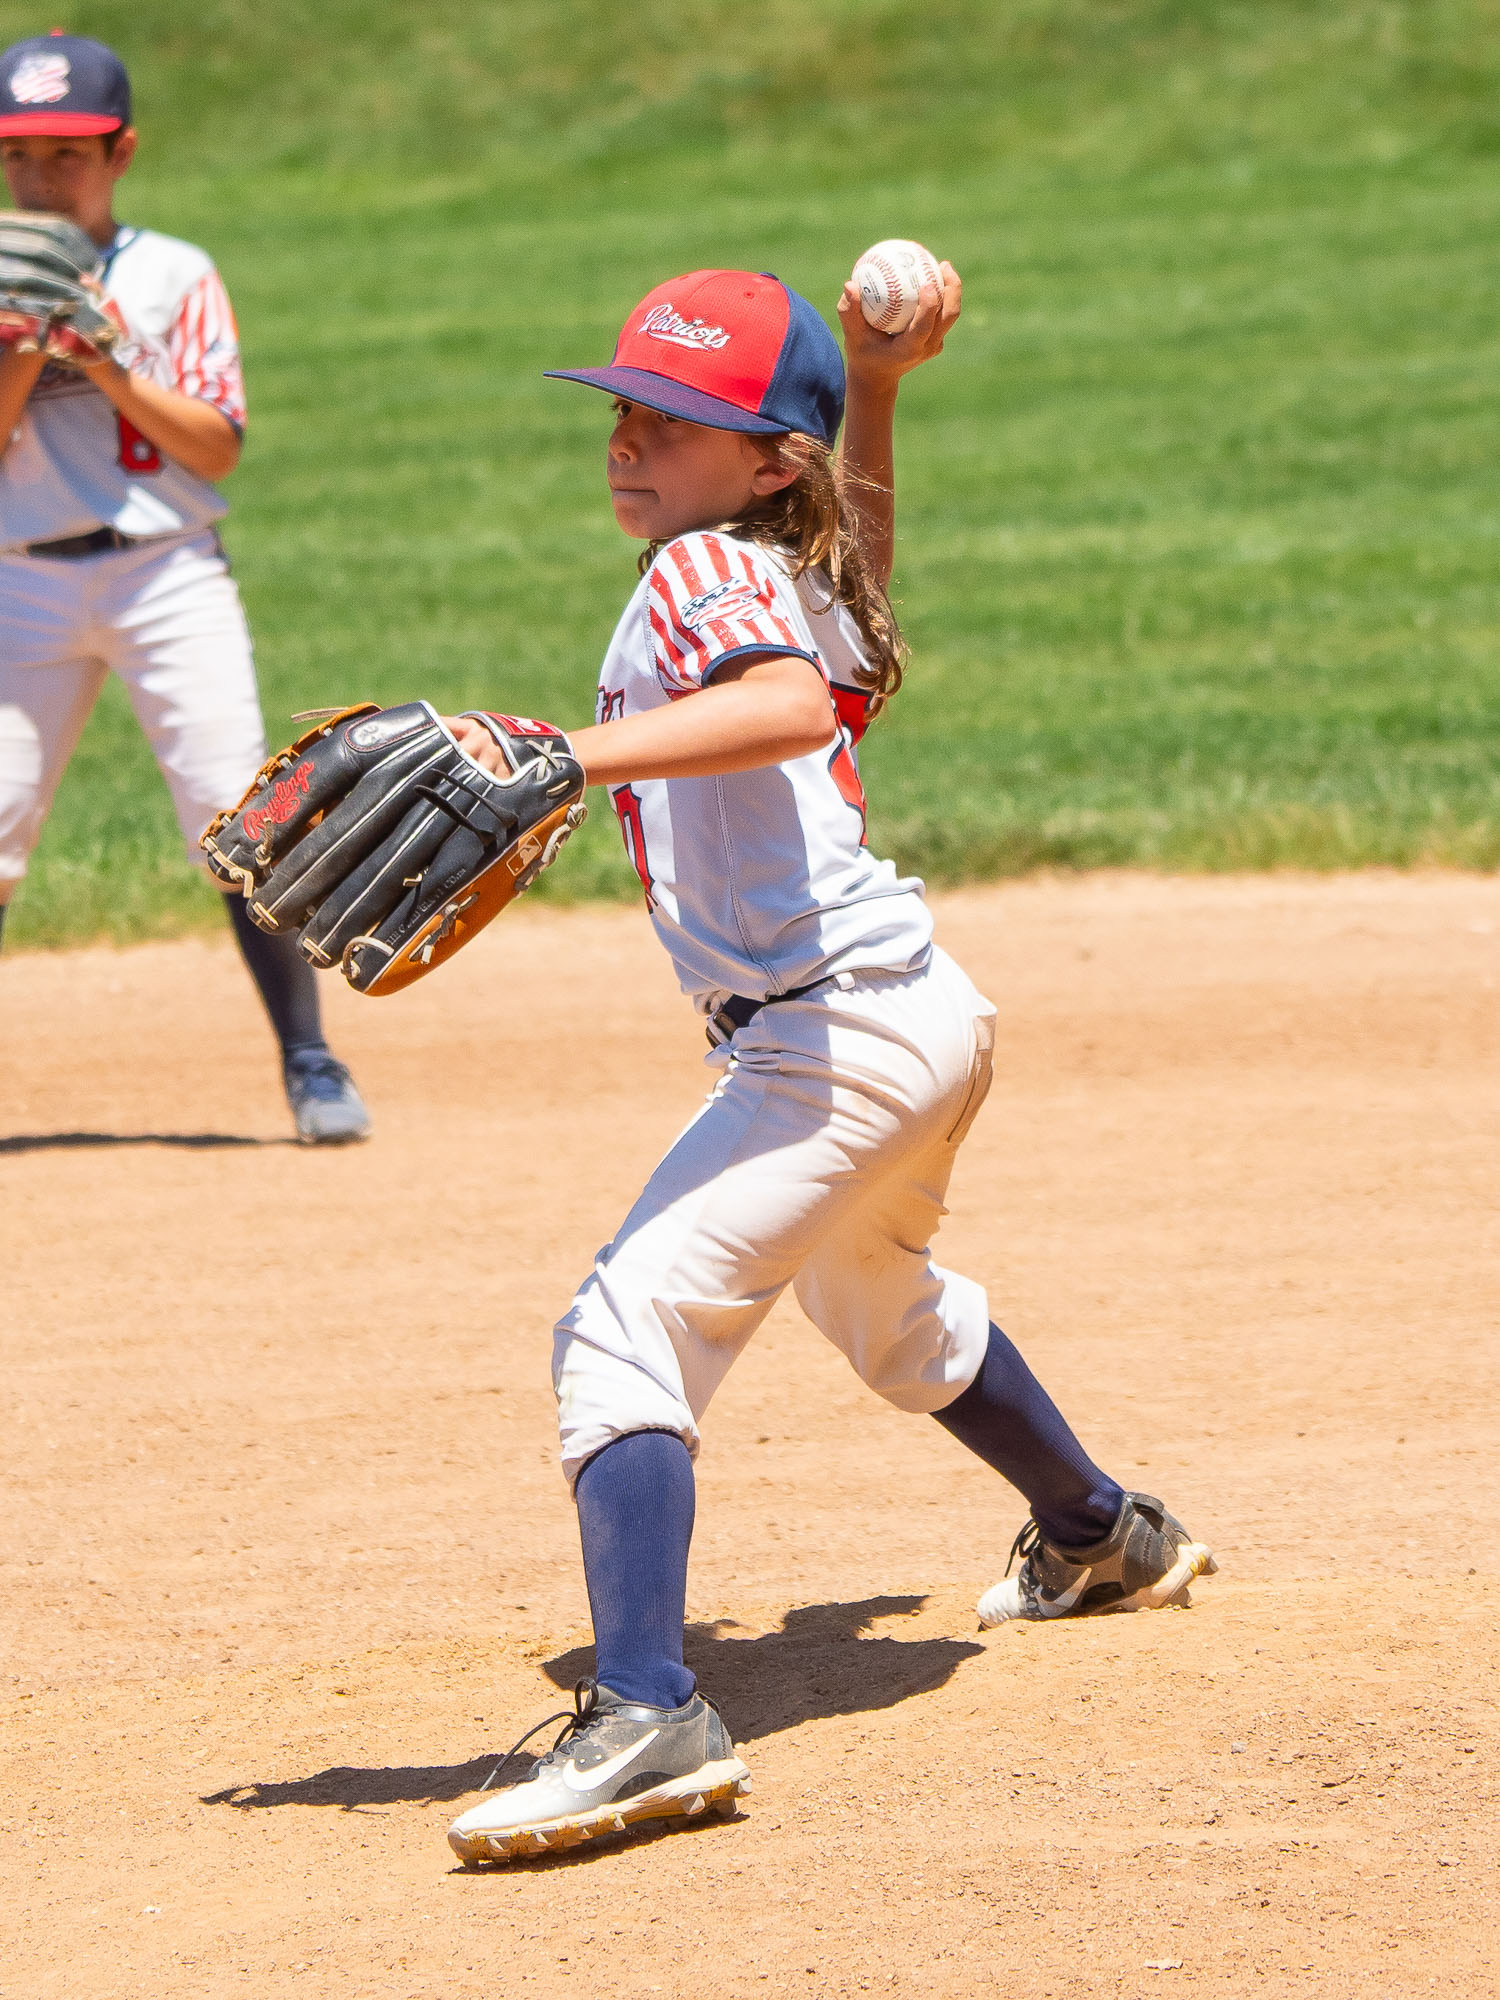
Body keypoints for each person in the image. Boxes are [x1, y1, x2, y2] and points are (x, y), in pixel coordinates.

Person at [442, 264, 1216, 1863]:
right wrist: (872, 389)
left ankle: (649, 1712)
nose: (631, 438)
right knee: (883, 1308)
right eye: (626, 406)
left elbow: (793, 703)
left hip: (829, 1034)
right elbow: (848, 633)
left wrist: (564, 752)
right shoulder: (763, 563)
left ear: (764, 461)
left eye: (684, 419)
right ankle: (1102, 1535)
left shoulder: (695, 576)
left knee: (626, 1329)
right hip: (915, 1013)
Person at [0, 31, 369, 1143]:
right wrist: (23, 341)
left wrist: (105, 359)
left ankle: (311, 1061)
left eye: (68, 153)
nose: (40, 176)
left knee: (235, 817)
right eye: (19, 155)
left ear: (122, 153)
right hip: (21, 584)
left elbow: (215, 448)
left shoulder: (176, 274)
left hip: (169, 577)